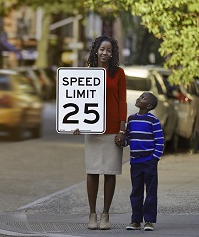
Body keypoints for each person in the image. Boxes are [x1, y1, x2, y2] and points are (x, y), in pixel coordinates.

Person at [74, 35, 127, 230]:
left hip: (113, 129)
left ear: (113, 54)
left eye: (109, 50)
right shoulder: (87, 72)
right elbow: (79, 101)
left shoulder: (119, 74)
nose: (105, 53)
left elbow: (122, 102)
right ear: (96, 50)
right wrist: (77, 123)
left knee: (110, 172)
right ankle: (92, 215)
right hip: (92, 129)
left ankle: (106, 214)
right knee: (93, 171)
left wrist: (122, 129)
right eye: (102, 49)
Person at [115, 92, 164, 231]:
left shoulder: (153, 120)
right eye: (140, 96)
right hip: (135, 163)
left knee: (151, 192)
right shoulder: (131, 119)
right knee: (136, 192)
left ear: (148, 105)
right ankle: (135, 221)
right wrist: (122, 142)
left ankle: (149, 221)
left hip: (149, 162)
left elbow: (160, 141)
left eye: (143, 98)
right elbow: (129, 138)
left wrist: (155, 158)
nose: (139, 98)